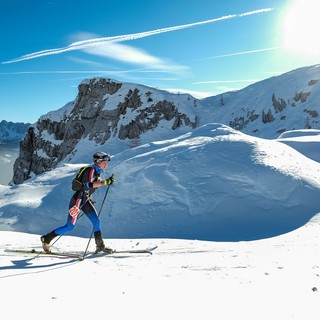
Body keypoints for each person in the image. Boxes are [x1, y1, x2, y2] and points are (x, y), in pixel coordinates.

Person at [40, 151, 115, 253]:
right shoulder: (91, 170)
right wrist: (105, 182)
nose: (106, 164)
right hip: (78, 201)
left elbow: (88, 189)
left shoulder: (97, 172)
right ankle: (47, 238)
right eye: (105, 161)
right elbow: (88, 185)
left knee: (96, 222)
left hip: (85, 200)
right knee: (69, 226)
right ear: (98, 161)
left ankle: (100, 246)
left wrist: (90, 198)